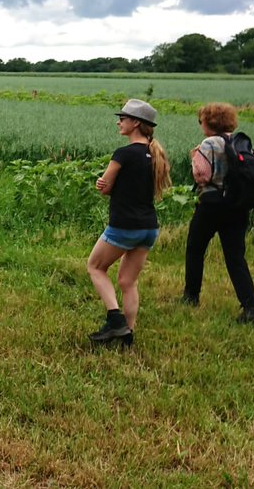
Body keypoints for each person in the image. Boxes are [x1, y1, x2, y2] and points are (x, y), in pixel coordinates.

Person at [86, 99, 171, 347]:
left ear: (136, 123)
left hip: (125, 225)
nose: (118, 122)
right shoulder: (156, 155)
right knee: (128, 282)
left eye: (122, 118)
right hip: (149, 228)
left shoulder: (123, 154)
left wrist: (101, 184)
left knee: (95, 267)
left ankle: (115, 319)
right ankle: (128, 335)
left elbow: (105, 187)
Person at [181, 102, 254, 330]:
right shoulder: (238, 141)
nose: (201, 125)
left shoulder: (209, 143)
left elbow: (202, 177)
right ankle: (251, 309)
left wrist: (195, 157)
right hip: (237, 205)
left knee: (195, 248)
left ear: (209, 122)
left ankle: (191, 296)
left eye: (201, 121)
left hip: (212, 203)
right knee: (236, 258)